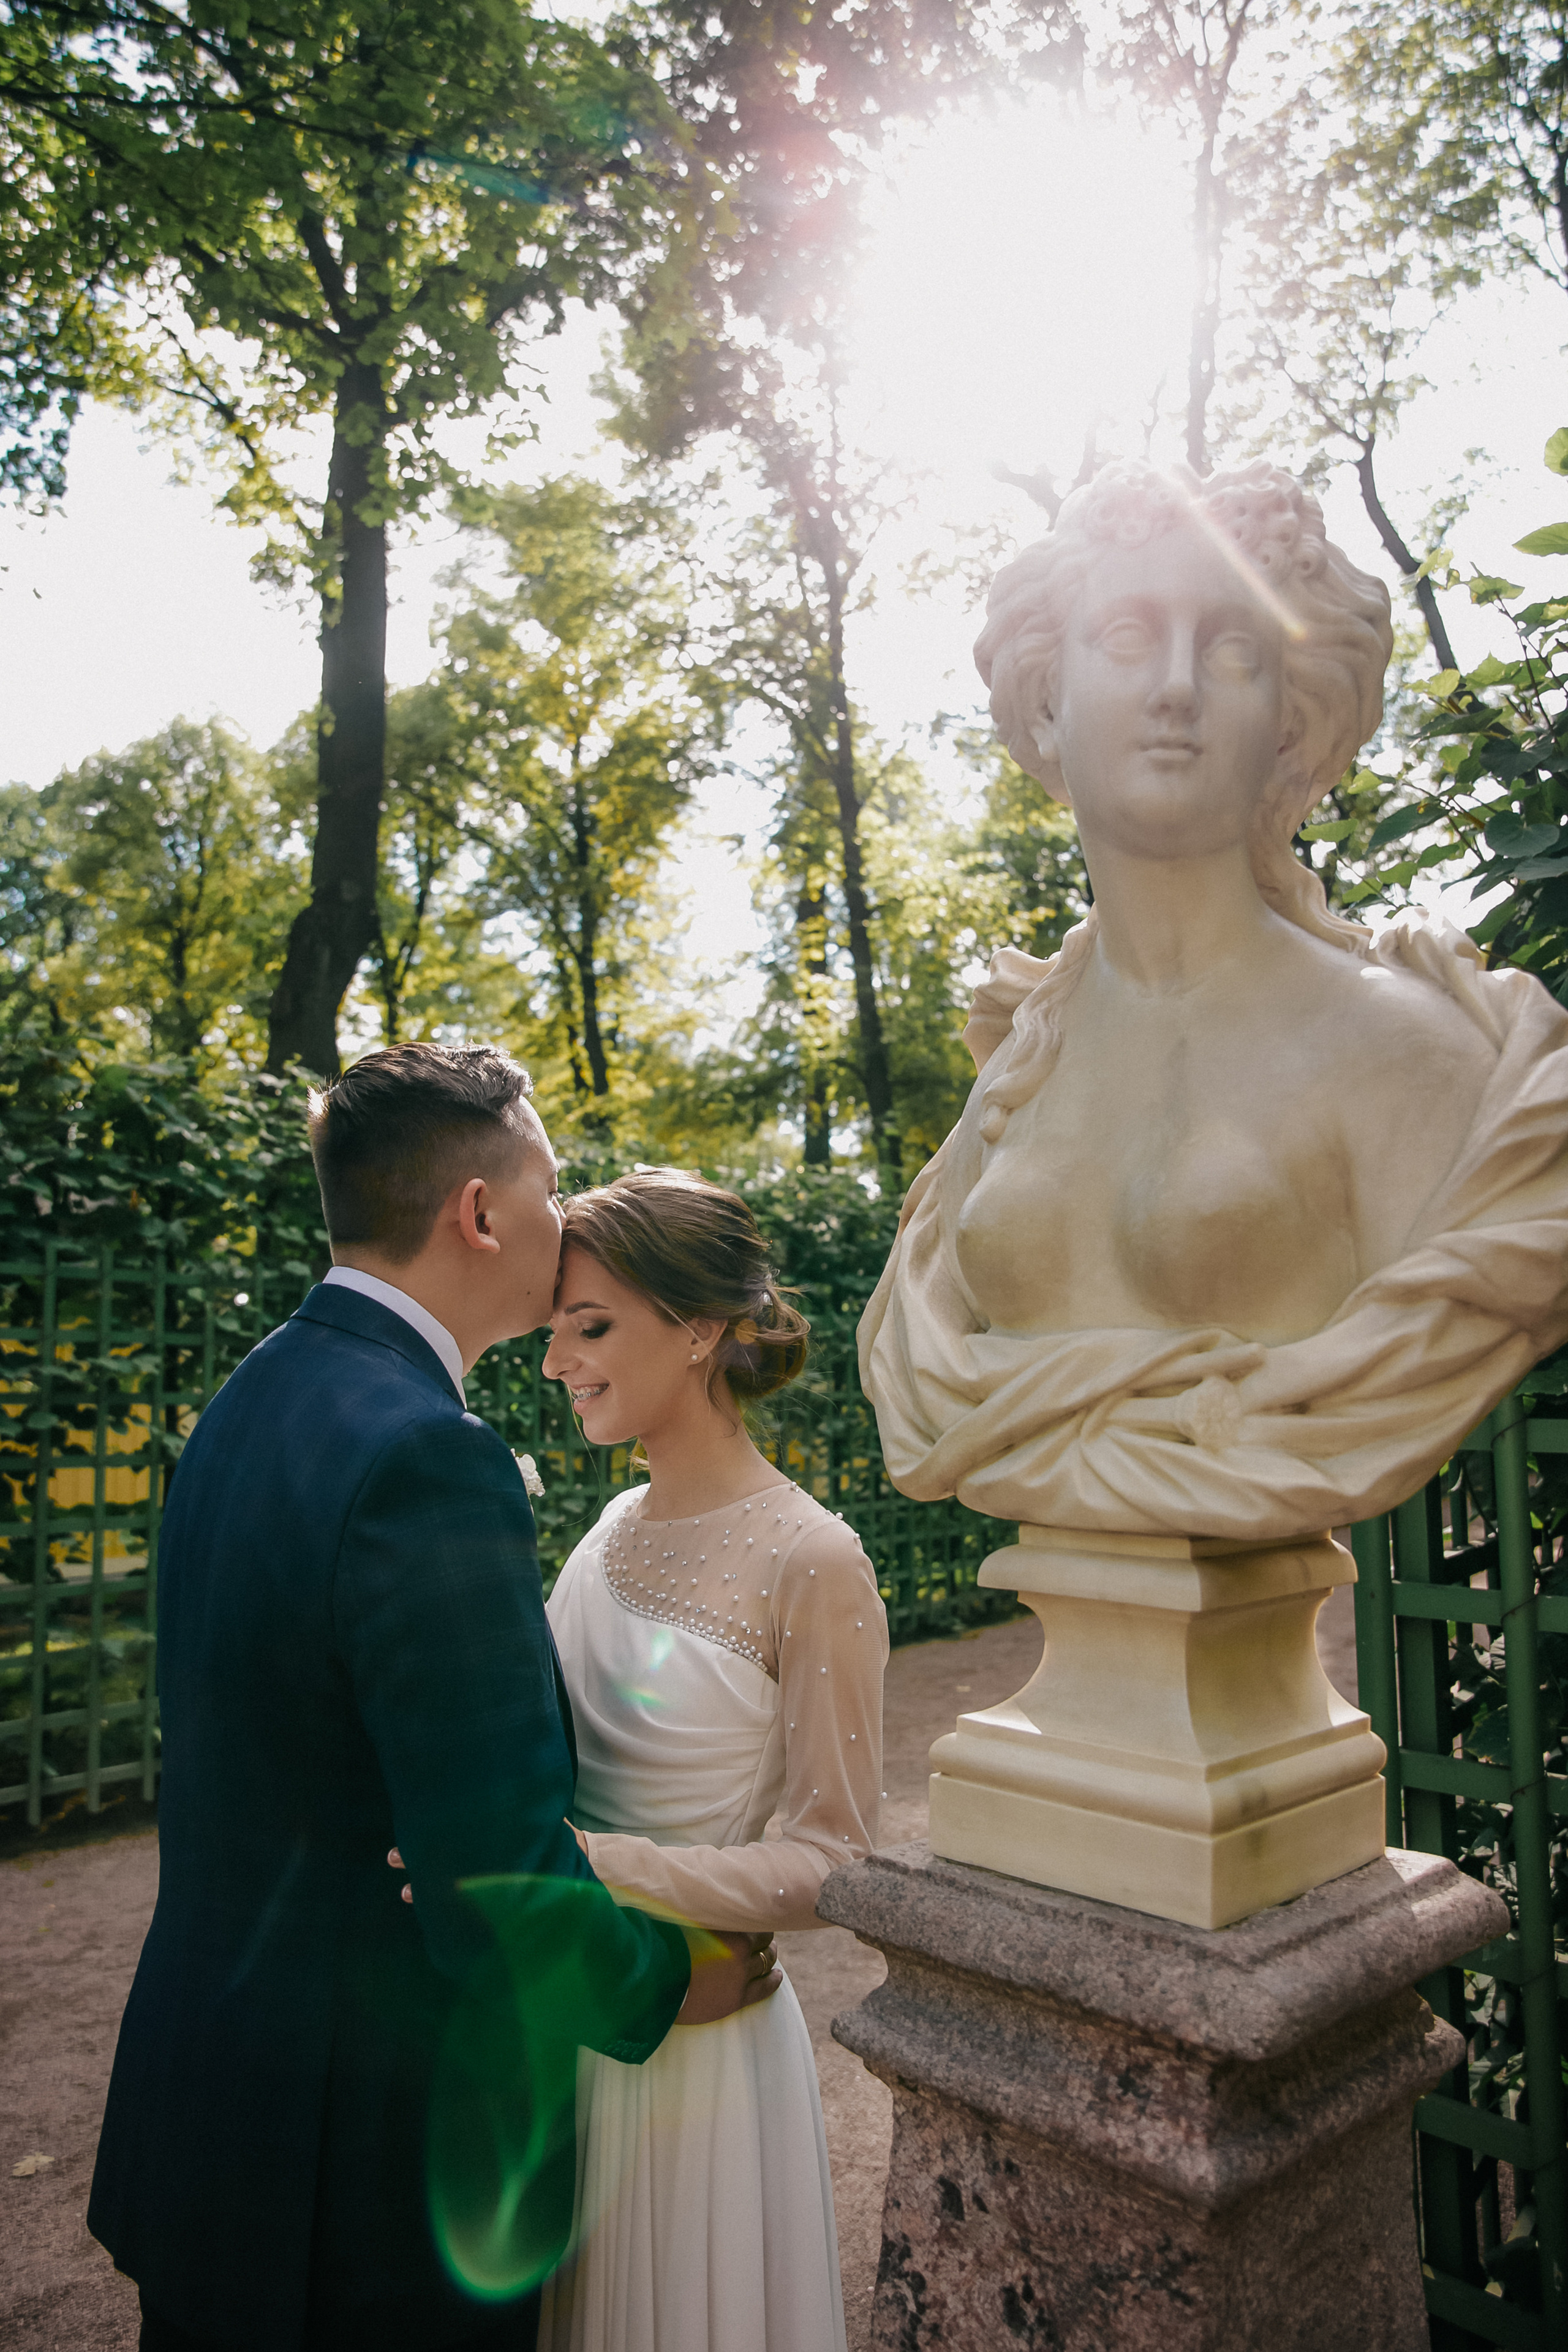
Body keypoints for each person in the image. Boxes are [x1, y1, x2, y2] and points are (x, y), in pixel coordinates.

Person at [88, 1044, 776, 2352]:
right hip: (359, 2180)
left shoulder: (248, 1398)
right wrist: (674, 1982)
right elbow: (487, 1881)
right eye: (550, 1184)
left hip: (210, 2117)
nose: (563, 1219)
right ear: (478, 1212)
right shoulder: (426, 1456)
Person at [860, 458, 1568, 1541]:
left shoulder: (1412, 1053)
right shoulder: (1015, 1077)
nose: (1179, 685)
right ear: (1048, 705)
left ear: (1289, 726)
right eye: (1131, 639)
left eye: (1233, 649)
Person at [532, 1169, 889, 2352]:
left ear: (697, 1330)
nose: (555, 1362)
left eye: (590, 1326)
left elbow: (835, 1862)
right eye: (553, 1330)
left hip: (702, 2041)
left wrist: (597, 1867)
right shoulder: (598, 1534)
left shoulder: (813, 1556)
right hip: (585, 2011)